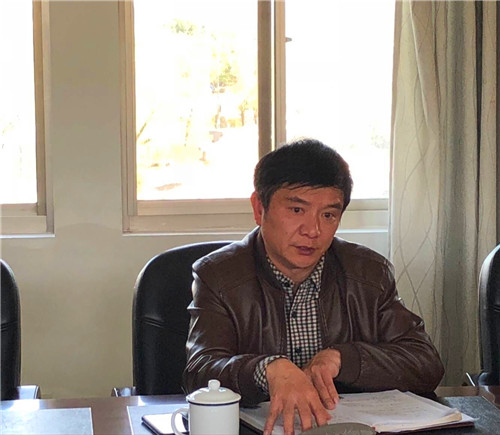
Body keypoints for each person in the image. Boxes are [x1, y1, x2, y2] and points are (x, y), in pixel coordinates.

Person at [183, 138, 444, 435]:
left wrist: (343, 359)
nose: (313, 230)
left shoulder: (369, 273)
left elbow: (425, 363)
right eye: (297, 210)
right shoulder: (218, 275)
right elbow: (199, 371)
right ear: (259, 207)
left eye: (328, 215)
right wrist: (266, 369)